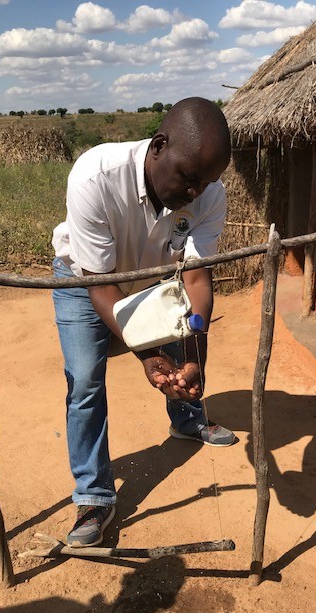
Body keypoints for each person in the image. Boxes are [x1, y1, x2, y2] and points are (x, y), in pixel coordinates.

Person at [52, 96, 237, 548]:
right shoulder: (95, 176)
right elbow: (103, 287)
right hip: (84, 280)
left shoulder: (209, 193)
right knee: (85, 381)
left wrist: (192, 354)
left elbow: (194, 278)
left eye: (206, 182)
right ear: (158, 146)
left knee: (182, 336)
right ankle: (95, 496)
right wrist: (149, 355)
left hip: (155, 276)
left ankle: (188, 416)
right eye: (189, 179)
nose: (195, 193)